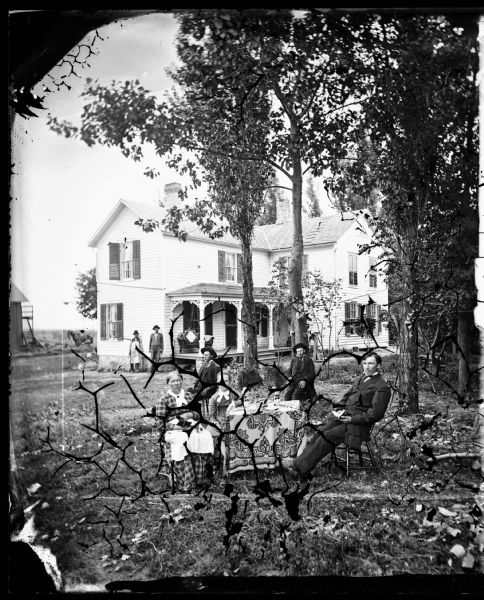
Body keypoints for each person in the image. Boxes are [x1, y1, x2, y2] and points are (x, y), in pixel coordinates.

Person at [281, 352, 391, 482]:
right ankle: (303, 470)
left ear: (378, 365)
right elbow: (347, 396)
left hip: (358, 426)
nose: (366, 367)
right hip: (345, 418)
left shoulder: (382, 386)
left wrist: (352, 419)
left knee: (328, 436)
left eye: (371, 363)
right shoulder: (362, 377)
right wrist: (338, 408)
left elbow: (375, 414)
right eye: (364, 363)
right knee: (320, 432)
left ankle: (297, 467)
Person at [154, 370, 213, 493]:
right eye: (173, 381)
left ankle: (201, 478)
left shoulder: (189, 396)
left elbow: (198, 414)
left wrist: (190, 414)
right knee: (183, 440)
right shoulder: (163, 400)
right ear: (168, 384)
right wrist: (178, 427)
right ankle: (186, 482)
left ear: (182, 381)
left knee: (205, 436)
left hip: (189, 424)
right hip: (172, 429)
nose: (176, 383)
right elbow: (160, 423)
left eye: (178, 380)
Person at [192, 347, 221, 418]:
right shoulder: (203, 365)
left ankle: (198, 415)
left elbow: (216, 383)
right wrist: (194, 384)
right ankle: (192, 413)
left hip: (209, 389)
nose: (204, 357)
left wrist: (207, 389)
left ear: (211, 355)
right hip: (199, 387)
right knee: (187, 394)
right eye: (204, 355)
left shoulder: (216, 367)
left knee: (192, 397)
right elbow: (198, 377)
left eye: (206, 355)